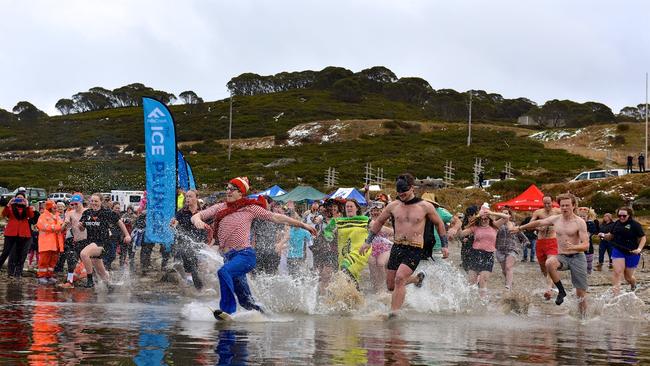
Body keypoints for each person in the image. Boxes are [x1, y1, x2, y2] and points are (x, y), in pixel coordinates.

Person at [191, 177, 316, 320]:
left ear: (241, 193)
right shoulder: (220, 207)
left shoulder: (250, 208)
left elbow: (277, 217)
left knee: (223, 272)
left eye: (232, 189)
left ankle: (227, 310)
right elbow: (197, 216)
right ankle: (266, 316)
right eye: (227, 188)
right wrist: (198, 221)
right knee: (246, 301)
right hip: (229, 258)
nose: (228, 191)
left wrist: (303, 225)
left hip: (245, 255)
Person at [360, 173, 446, 317]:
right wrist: (368, 242)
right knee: (391, 285)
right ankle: (417, 279)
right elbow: (379, 222)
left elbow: (439, 223)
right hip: (397, 247)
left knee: (400, 278)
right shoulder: (393, 206)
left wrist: (444, 245)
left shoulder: (425, 206)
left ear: (412, 188)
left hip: (415, 248)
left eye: (404, 191)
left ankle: (393, 314)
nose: (401, 194)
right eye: (398, 192)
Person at [513, 193, 589, 316]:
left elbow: (586, 245)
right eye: (562, 205)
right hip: (562, 256)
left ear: (573, 206)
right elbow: (538, 223)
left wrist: (575, 246)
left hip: (577, 257)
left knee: (580, 293)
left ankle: (583, 318)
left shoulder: (579, 222)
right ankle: (561, 291)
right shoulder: (556, 219)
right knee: (549, 263)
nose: (564, 208)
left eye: (567, 205)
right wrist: (520, 228)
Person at [78, 194, 132, 288]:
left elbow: (119, 222)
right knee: (101, 272)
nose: (94, 203)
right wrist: (80, 226)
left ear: (101, 202)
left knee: (83, 254)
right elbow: (82, 229)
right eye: (92, 201)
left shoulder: (106, 212)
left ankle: (90, 280)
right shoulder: (87, 213)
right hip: (91, 243)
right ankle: (110, 285)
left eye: (96, 201)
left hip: (102, 243)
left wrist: (127, 235)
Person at [457, 205, 510, 296]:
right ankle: (471, 301)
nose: (484, 220)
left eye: (486, 219)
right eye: (482, 219)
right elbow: (461, 234)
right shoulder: (475, 227)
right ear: (479, 219)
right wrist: (457, 225)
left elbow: (506, 217)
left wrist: (491, 213)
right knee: (471, 282)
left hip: (488, 255)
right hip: (475, 254)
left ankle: (483, 301)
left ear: (489, 219)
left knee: (483, 280)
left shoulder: (494, 226)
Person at [323, 199, 372, 287]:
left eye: (351, 206)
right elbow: (327, 230)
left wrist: (395, 232)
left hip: (359, 251)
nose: (349, 208)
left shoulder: (364, 219)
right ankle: (356, 296)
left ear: (356, 208)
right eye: (347, 207)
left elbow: (378, 227)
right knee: (346, 278)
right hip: (343, 252)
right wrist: (329, 236)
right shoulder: (339, 221)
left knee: (345, 267)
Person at [600, 207, 646, 295]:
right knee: (617, 272)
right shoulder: (616, 223)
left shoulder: (635, 225)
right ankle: (615, 295)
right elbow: (611, 235)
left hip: (632, 252)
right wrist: (603, 235)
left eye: (624, 216)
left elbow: (643, 238)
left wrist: (639, 249)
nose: (621, 217)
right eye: (619, 215)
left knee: (628, 277)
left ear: (629, 215)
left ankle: (633, 284)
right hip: (618, 250)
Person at [171, 190, 207, 290]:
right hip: (185, 243)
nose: (187, 198)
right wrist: (173, 223)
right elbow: (175, 222)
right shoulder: (182, 212)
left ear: (196, 198)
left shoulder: (203, 213)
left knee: (196, 267)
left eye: (190, 196)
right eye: (186, 196)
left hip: (199, 243)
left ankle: (197, 285)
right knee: (191, 265)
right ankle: (196, 287)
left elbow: (209, 227)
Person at [528, 196, 561, 300]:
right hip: (540, 241)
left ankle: (549, 289)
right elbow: (530, 224)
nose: (547, 205)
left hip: (552, 240)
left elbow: (567, 219)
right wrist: (538, 227)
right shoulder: (538, 212)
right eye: (545, 203)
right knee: (543, 267)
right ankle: (552, 283)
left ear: (552, 202)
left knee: (550, 264)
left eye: (549, 203)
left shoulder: (557, 211)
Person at [0, 192, 35, 278]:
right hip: (11, 233)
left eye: (21, 198)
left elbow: (31, 215)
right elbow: (4, 214)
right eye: (18, 198)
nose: (19, 200)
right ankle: (8, 270)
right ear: (14, 198)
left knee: (20, 254)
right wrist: (8, 204)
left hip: (23, 234)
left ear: (25, 199)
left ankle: (17, 273)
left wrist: (27, 205)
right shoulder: (11, 207)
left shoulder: (27, 208)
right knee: (6, 252)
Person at [495, 207, 529, 290]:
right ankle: (509, 282)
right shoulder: (497, 225)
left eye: (506, 213)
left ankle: (508, 287)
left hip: (512, 249)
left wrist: (523, 246)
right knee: (504, 270)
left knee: (508, 267)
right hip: (500, 250)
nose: (504, 215)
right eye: (503, 213)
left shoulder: (514, 225)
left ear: (510, 215)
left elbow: (524, 239)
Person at [59, 193, 86, 288]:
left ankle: (96, 280)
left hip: (88, 242)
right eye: (72, 204)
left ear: (81, 202)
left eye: (76, 204)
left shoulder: (87, 212)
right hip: (77, 241)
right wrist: (65, 224)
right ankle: (69, 282)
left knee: (91, 262)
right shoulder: (70, 213)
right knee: (71, 259)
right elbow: (62, 229)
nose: (74, 206)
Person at [366, 201, 393, 292]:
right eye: (373, 211)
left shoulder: (387, 221)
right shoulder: (367, 222)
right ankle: (375, 286)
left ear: (382, 211)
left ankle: (383, 286)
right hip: (371, 247)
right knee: (371, 263)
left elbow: (393, 233)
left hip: (385, 248)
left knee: (380, 263)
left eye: (377, 210)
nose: (375, 212)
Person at [36, 200, 64, 284]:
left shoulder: (57, 216)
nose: (56, 209)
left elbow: (61, 226)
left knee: (53, 261)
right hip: (46, 243)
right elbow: (44, 227)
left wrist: (57, 227)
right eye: (54, 207)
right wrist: (57, 227)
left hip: (56, 243)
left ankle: (49, 275)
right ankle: (41, 276)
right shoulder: (43, 216)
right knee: (44, 261)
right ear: (49, 208)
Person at [577, 207, 598, 274]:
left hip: (588, 245)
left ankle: (589, 270)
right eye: (580, 216)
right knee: (580, 263)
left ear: (587, 216)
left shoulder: (590, 223)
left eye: (584, 216)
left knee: (588, 261)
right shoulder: (577, 223)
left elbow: (593, 231)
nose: (582, 218)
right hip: (579, 245)